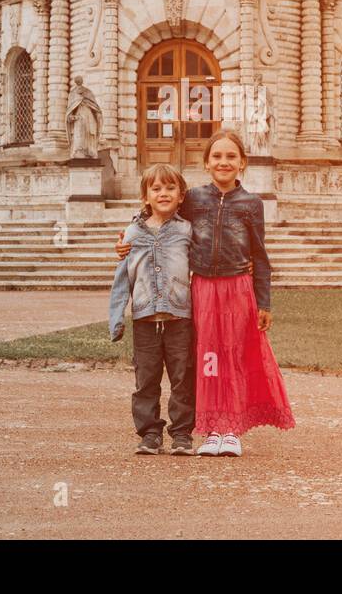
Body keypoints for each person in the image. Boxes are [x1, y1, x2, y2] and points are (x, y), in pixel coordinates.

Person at [117, 129, 294, 457]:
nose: (223, 162)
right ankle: (212, 429)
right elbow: (162, 215)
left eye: (230, 157)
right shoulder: (195, 199)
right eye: (217, 156)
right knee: (207, 359)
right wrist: (130, 233)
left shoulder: (251, 204)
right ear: (206, 163)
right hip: (202, 290)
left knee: (234, 357)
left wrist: (264, 301)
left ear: (242, 163)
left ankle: (233, 430)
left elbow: (260, 256)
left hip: (238, 288)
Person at [108, 163, 196, 455]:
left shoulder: (186, 230)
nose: (163, 193)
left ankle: (182, 434)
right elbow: (122, 279)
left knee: (183, 377)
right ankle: (149, 433)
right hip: (145, 318)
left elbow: (202, 264)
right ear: (145, 196)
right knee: (146, 379)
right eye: (156, 189)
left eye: (170, 188)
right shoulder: (132, 233)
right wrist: (116, 318)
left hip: (179, 316)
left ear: (181, 195)